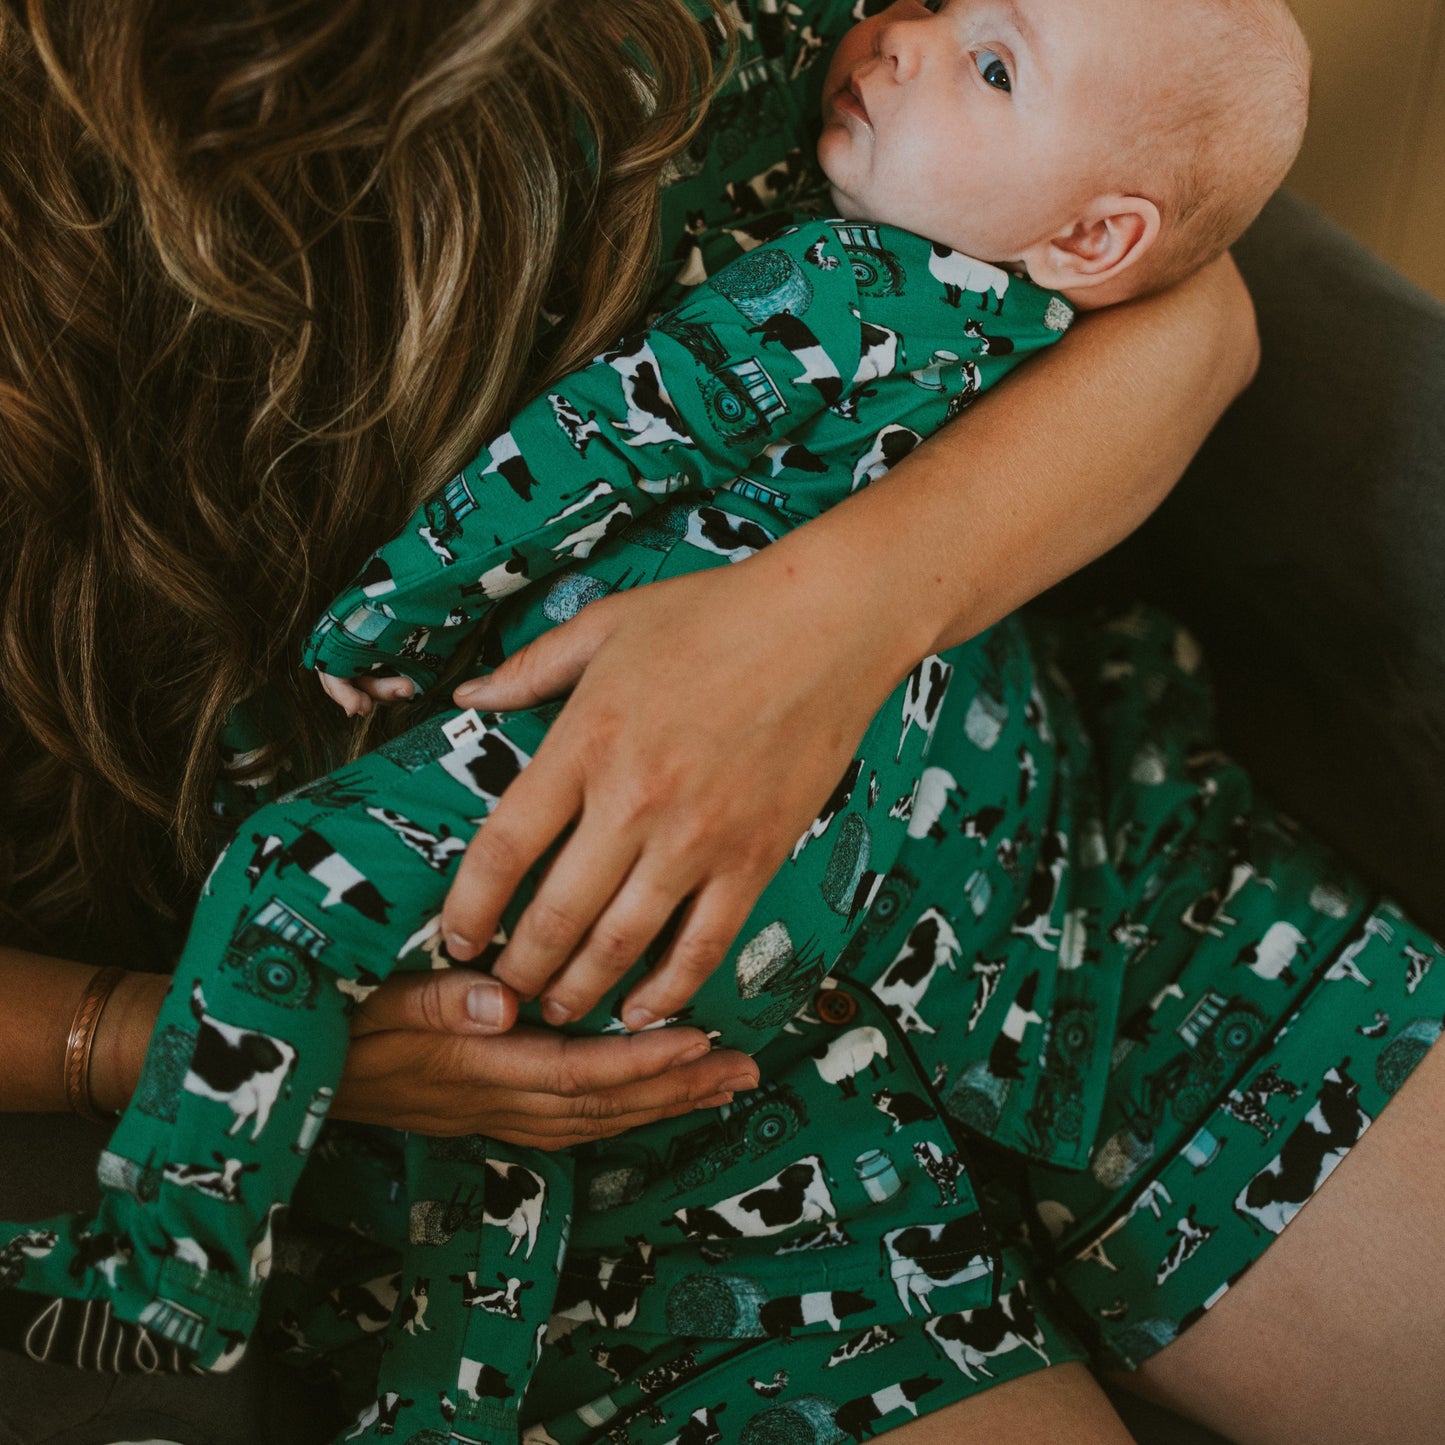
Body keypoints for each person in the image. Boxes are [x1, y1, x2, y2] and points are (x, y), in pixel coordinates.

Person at [1, 4, 1432, 1445]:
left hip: (1043, 876)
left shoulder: (865, 91)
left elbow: (1195, 310)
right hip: (594, 1098)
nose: (893, 36)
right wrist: (158, 1039)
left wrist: (824, 622)